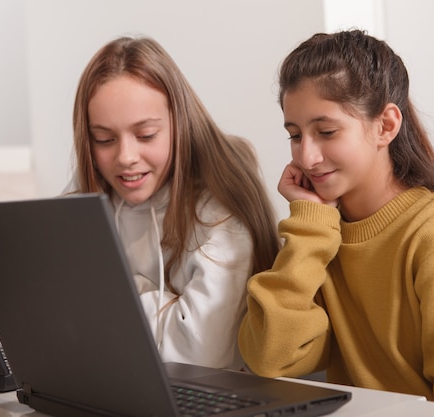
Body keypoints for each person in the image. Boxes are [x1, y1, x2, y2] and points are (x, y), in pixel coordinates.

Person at [238, 30, 434, 416]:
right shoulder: (324, 233)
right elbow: (271, 358)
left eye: (326, 132)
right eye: (295, 135)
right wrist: (310, 230)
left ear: (386, 126)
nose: (306, 156)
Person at [68, 35, 280, 371]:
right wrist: (163, 302)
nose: (125, 157)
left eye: (146, 135)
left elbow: (199, 355)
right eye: (104, 139)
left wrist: (108, 291)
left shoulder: (220, 210)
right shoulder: (91, 191)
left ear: (179, 124)